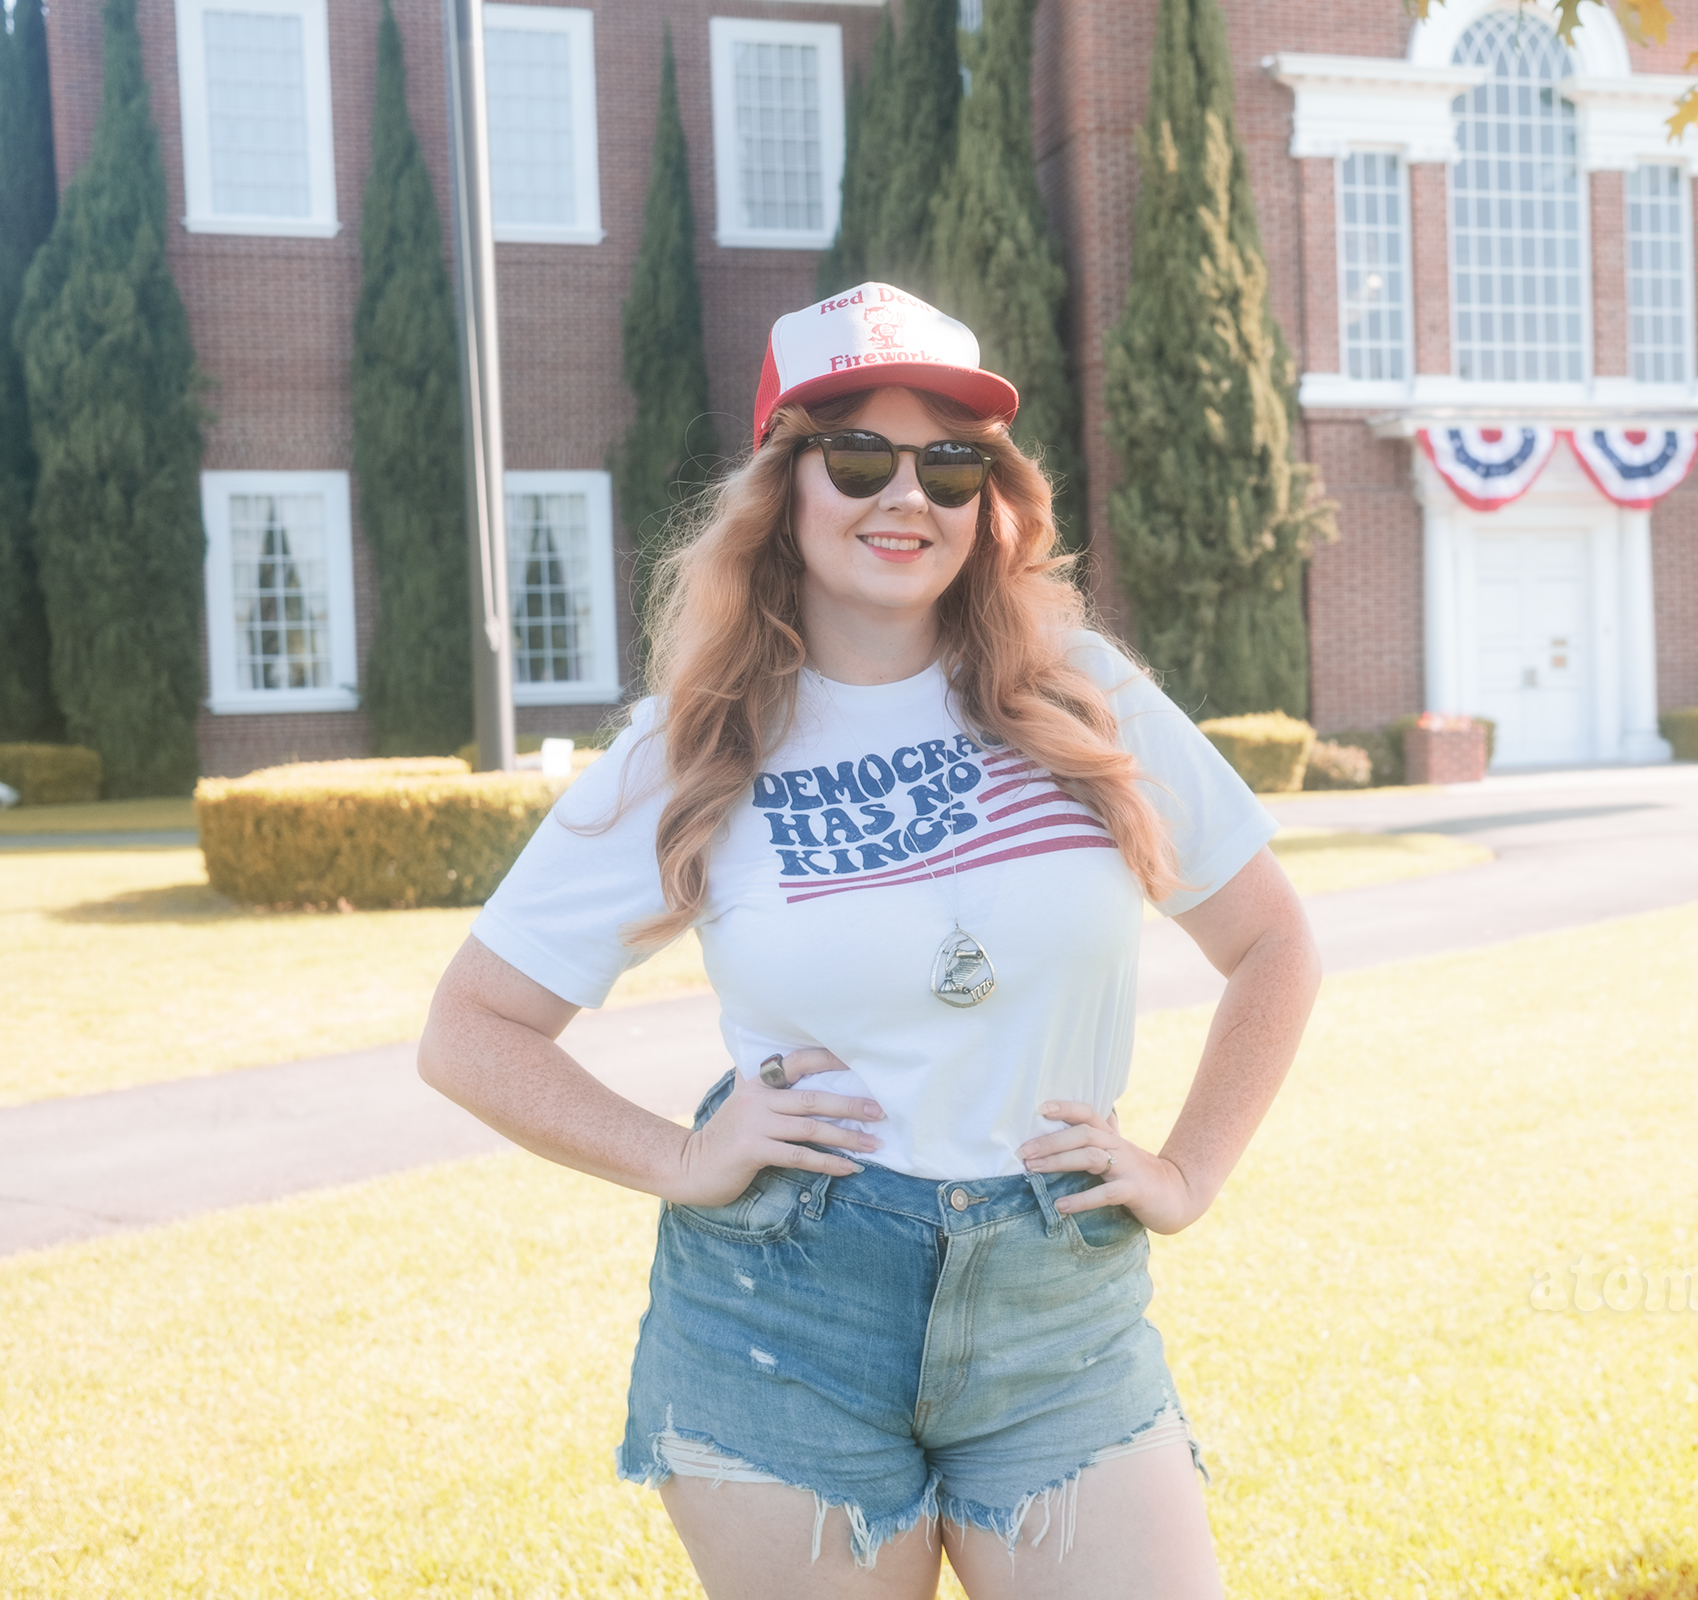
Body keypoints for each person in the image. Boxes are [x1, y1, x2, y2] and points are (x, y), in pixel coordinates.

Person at [417, 283, 1320, 1600]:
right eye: (859, 459)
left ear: (987, 499)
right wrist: (681, 1154)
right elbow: (470, 1029)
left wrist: (1186, 1171)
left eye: (952, 466)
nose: (908, 497)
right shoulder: (696, 742)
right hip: (788, 1313)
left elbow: (1273, 943)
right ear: (783, 487)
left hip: (1055, 1307)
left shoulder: (1085, 696)